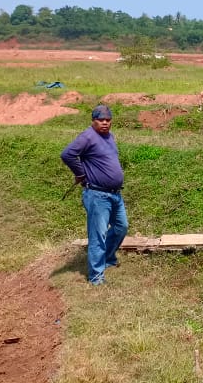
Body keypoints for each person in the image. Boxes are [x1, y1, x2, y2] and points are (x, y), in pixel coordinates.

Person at [61, 104, 129, 285]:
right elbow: (67, 154)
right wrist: (81, 173)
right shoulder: (87, 137)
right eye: (101, 120)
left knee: (121, 227)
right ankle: (96, 276)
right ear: (93, 121)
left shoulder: (109, 136)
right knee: (98, 235)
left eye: (108, 120)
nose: (105, 123)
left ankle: (107, 257)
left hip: (115, 194)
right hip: (97, 195)